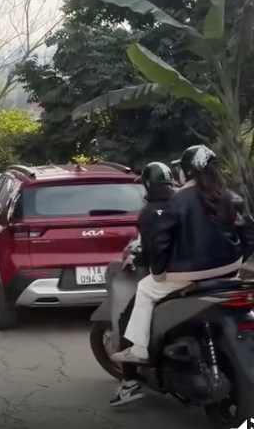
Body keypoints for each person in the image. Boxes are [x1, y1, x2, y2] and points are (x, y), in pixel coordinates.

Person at [112, 145, 254, 364]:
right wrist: (238, 260)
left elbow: (161, 240)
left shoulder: (178, 200)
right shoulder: (229, 197)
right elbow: (249, 232)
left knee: (145, 288)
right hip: (229, 272)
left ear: (187, 171)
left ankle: (140, 349)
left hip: (190, 275)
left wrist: (159, 273)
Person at [109, 161, 176, 407]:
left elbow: (154, 248)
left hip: (174, 276)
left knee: (128, 320)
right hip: (209, 274)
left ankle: (129, 383)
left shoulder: (149, 212)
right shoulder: (188, 203)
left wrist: (140, 260)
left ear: (148, 184)